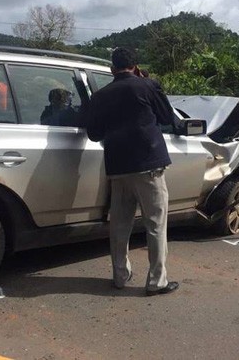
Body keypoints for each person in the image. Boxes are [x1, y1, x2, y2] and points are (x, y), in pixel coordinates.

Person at [86, 47, 179, 296]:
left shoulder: (100, 96)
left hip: (117, 167)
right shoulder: (147, 86)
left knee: (119, 225)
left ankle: (120, 276)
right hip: (149, 166)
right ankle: (156, 282)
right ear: (135, 66)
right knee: (156, 225)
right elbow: (167, 117)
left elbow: (94, 134)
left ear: (111, 69)